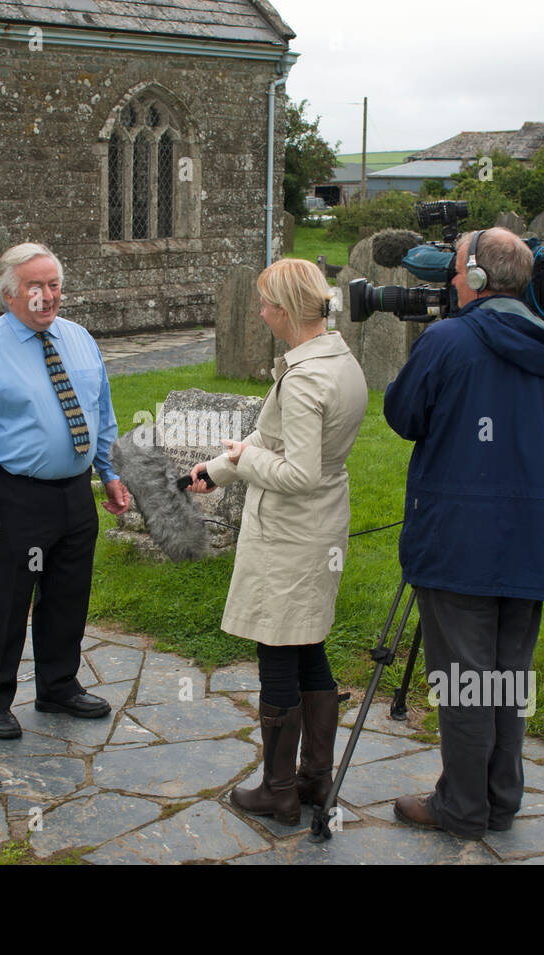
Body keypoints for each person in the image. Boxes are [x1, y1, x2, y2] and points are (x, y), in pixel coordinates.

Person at [383, 227, 544, 839]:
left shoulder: (445, 341)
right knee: (505, 676)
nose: (448, 278)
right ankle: (499, 801)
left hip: (457, 548)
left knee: (466, 681)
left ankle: (463, 809)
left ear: (474, 278)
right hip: (533, 551)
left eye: (455, 268)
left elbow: (402, 415)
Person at [188, 257, 368, 825]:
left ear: (285, 311)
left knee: (277, 647)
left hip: (292, 533)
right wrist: (216, 469)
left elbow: (297, 473)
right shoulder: (337, 359)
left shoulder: (307, 377)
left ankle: (278, 789)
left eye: (265, 303)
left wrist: (247, 458)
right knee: (307, 640)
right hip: (319, 526)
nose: (260, 311)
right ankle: (314, 779)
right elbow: (274, 439)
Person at [0, 243, 131, 740]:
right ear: (9, 294)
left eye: (54, 285)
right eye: (35, 287)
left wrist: (108, 473)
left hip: (74, 493)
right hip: (15, 497)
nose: (47, 297)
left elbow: (100, 412)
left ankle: (57, 686)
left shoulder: (79, 339)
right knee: (5, 601)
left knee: (68, 595)